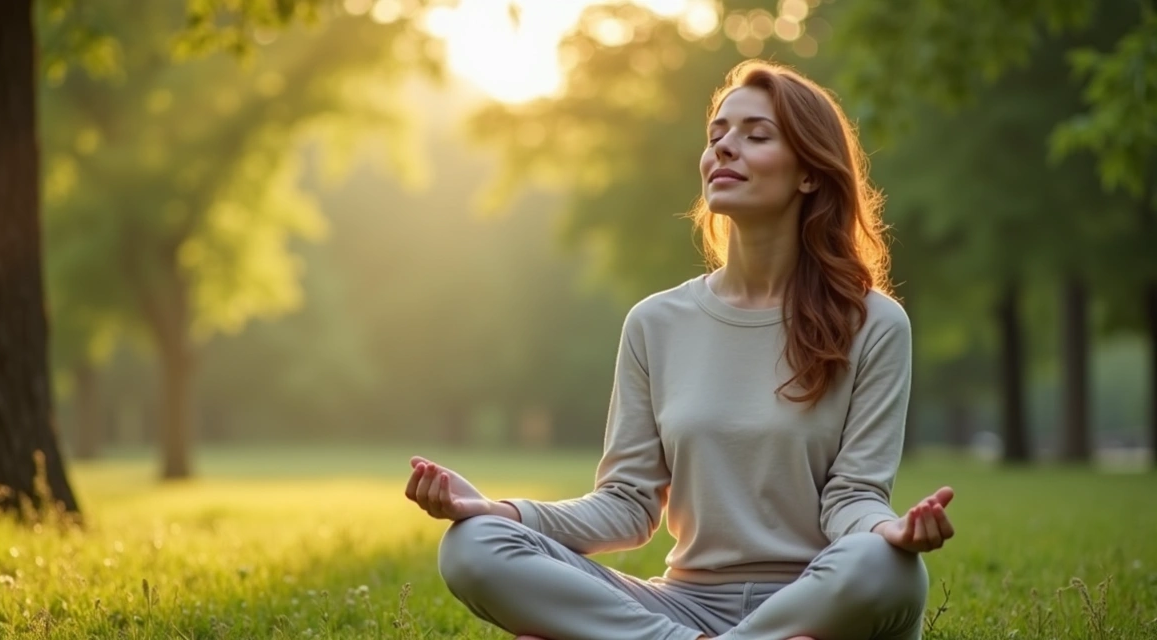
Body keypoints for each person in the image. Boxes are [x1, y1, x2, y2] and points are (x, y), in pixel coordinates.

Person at [403, 59, 956, 640]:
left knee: (884, 568)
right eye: (716, 135)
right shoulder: (655, 322)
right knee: (472, 546)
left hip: (816, 599)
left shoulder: (874, 322)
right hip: (683, 609)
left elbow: (852, 498)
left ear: (809, 174)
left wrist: (886, 532)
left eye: (756, 136)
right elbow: (625, 504)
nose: (725, 148)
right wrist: (497, 512)